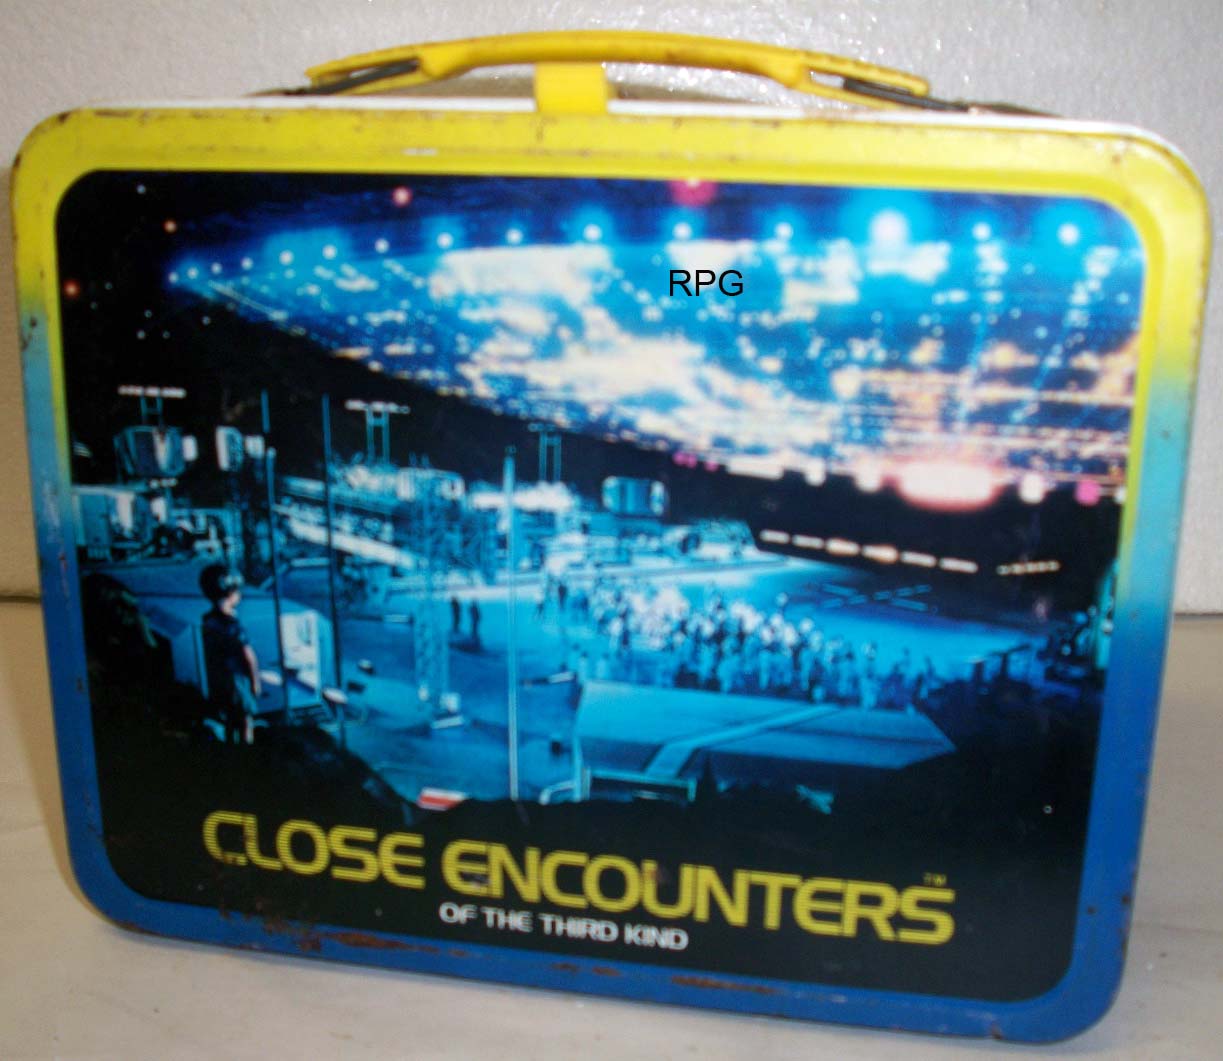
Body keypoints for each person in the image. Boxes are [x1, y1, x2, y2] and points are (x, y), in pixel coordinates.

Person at [199, 564, 261, 745]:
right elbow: (248, 656)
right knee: (245, 719)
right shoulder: (232, 625)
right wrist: (255, 682)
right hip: (237, 679)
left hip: (218, 677)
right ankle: (246, 751)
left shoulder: (208, 621)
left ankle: (231, 749)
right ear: (231, 594)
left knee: (229, 720)